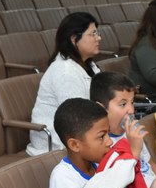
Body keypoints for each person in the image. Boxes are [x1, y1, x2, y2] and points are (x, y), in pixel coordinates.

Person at [27, 11, 102, 155]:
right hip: (57, 140)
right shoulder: (65, 72)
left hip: (83, 130)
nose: (98, 38)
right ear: (74, 39)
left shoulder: (89, 65)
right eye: (93, 34)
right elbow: (76, 117)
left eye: (97, 33)